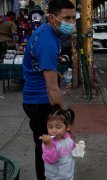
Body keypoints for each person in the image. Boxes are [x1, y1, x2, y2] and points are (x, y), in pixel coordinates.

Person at [22, 0, 76, 179]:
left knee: (44, 145)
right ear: (52, 17)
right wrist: (63, 117)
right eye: (66, 18)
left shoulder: (46, 32)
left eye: (73, 17)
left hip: (33, 98)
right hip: (40, 101)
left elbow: (41, 67)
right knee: (46, 147)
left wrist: (57, 75)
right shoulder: (48, 42)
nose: (71, 22)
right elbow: (52, 88)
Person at [40, 105, 75, 180]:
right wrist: (49, 146)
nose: (53, 131)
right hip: (54, 177)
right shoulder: (47, 143)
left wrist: (76, 147)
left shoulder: (67, 136)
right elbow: (51, 160)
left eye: (58, 127)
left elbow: (70, 147)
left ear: (67, 127)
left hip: (68, 175)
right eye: (50, 127)